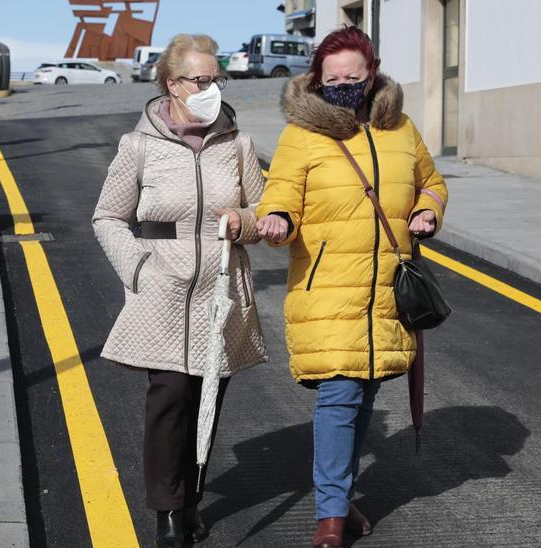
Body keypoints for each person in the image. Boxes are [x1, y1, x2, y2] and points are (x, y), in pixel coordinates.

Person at [254, 26, 449, 548]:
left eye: (352, 77)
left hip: (386, 290)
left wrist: (428, 210)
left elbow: (431, 181)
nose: (341, 84)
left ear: (372, 73)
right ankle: (331, 520)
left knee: (364, 394)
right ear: (318, 79)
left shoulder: (401, 128)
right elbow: (281, 194)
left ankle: (340, 499)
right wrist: (274, 219)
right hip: (330, 288)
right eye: (331, 77)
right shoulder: (303, 135)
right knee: (339, 397)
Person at [92, 34, 267, 548]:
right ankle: (168, 513)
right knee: (169, 398)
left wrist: (245, 223)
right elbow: (107, 217)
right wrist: (138, 269)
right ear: (172, 83)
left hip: (221, 293)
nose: (210, 87)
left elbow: (268, 211)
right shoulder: (138, 145)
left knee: (206, 398)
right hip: (161, 288)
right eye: (200, 79)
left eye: (216, 79)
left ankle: (192, 498)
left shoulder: (238, 145)